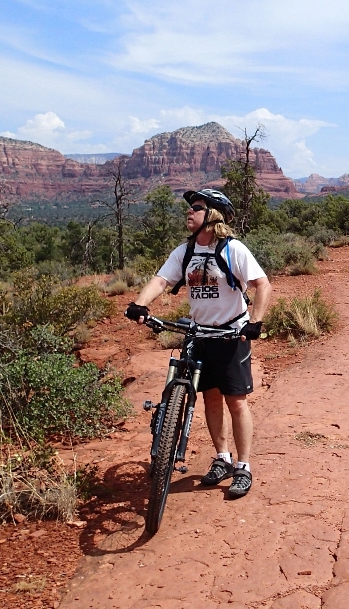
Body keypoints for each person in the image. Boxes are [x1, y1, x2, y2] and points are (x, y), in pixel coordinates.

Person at [125, 189, 272, 498]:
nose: (189, 212)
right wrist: (139, 303)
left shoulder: (233, 250)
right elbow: (161, 280)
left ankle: (243, 466)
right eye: (190, 208)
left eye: (196, 208)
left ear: (213, 215)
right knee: (211, 400)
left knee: (237, 402)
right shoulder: (185, 251)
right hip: (199, 336)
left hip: (232, 336)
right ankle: (222, 459)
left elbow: (262, 285)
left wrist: (255, 322)